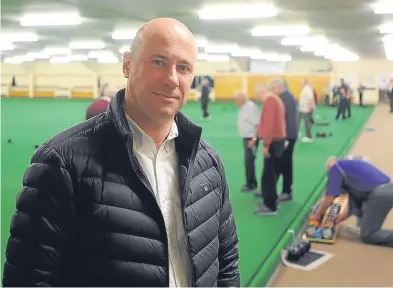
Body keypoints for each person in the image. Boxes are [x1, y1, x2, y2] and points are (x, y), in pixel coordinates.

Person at [2, 18, 240, 287]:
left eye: (183, 68)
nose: (172, 79)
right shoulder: (62, 162)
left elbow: (227, 264)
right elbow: (28, 279)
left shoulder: (208, 163)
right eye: (158, 62)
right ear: (128, 65)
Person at [310, 157, 393, 249]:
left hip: (380, 196)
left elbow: (329, 199)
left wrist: (317, 215)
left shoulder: (335, 168)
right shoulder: (352, 164)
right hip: (390, 190)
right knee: (362, 224)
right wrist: (345, 216)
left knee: (368, 236)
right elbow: (355, 196)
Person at [249, 79, 286, 215]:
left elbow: (269, 124)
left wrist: (266, 144)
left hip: (273, 142)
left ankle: (269, 206)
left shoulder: (270, 101)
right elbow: (264, 122)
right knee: (272, 173)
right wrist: (256, 136)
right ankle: (272, 200)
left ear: (262, 92)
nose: (258, 98)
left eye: (257, 95)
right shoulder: (275, 100)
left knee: (268, 175)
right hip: (278, 141)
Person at [234, 90, 260, 192]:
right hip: (246, 138)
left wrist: (254, 139)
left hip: (251, 138)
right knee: (249, 161)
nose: (236, 102)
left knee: (249, 161)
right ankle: (252, 181)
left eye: (237, 100)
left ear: (241, 99)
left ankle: (250, 183)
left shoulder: (250, 107)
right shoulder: (244, 107)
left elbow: (257, 124)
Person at [278, 81, 299, 201]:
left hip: (287, 137)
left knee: (286, 164)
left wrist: (286, 138)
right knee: (280, 163)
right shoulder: (286, 97)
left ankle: (287, 191)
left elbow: (288, 119)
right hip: (287, 135)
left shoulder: (287, 98)